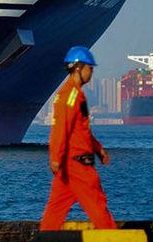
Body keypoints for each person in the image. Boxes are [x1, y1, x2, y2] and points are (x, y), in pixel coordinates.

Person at [41, 46, 116, 230]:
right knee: (97, 205)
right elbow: (61, 128)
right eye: (90, 68)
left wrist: (98, 149)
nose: (91, 72)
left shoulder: (72, 94)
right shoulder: (71, 95)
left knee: (55, 210)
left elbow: (81, 130)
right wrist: (55, 158)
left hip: (68, 166)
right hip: (78, 166)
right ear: (78, 68)